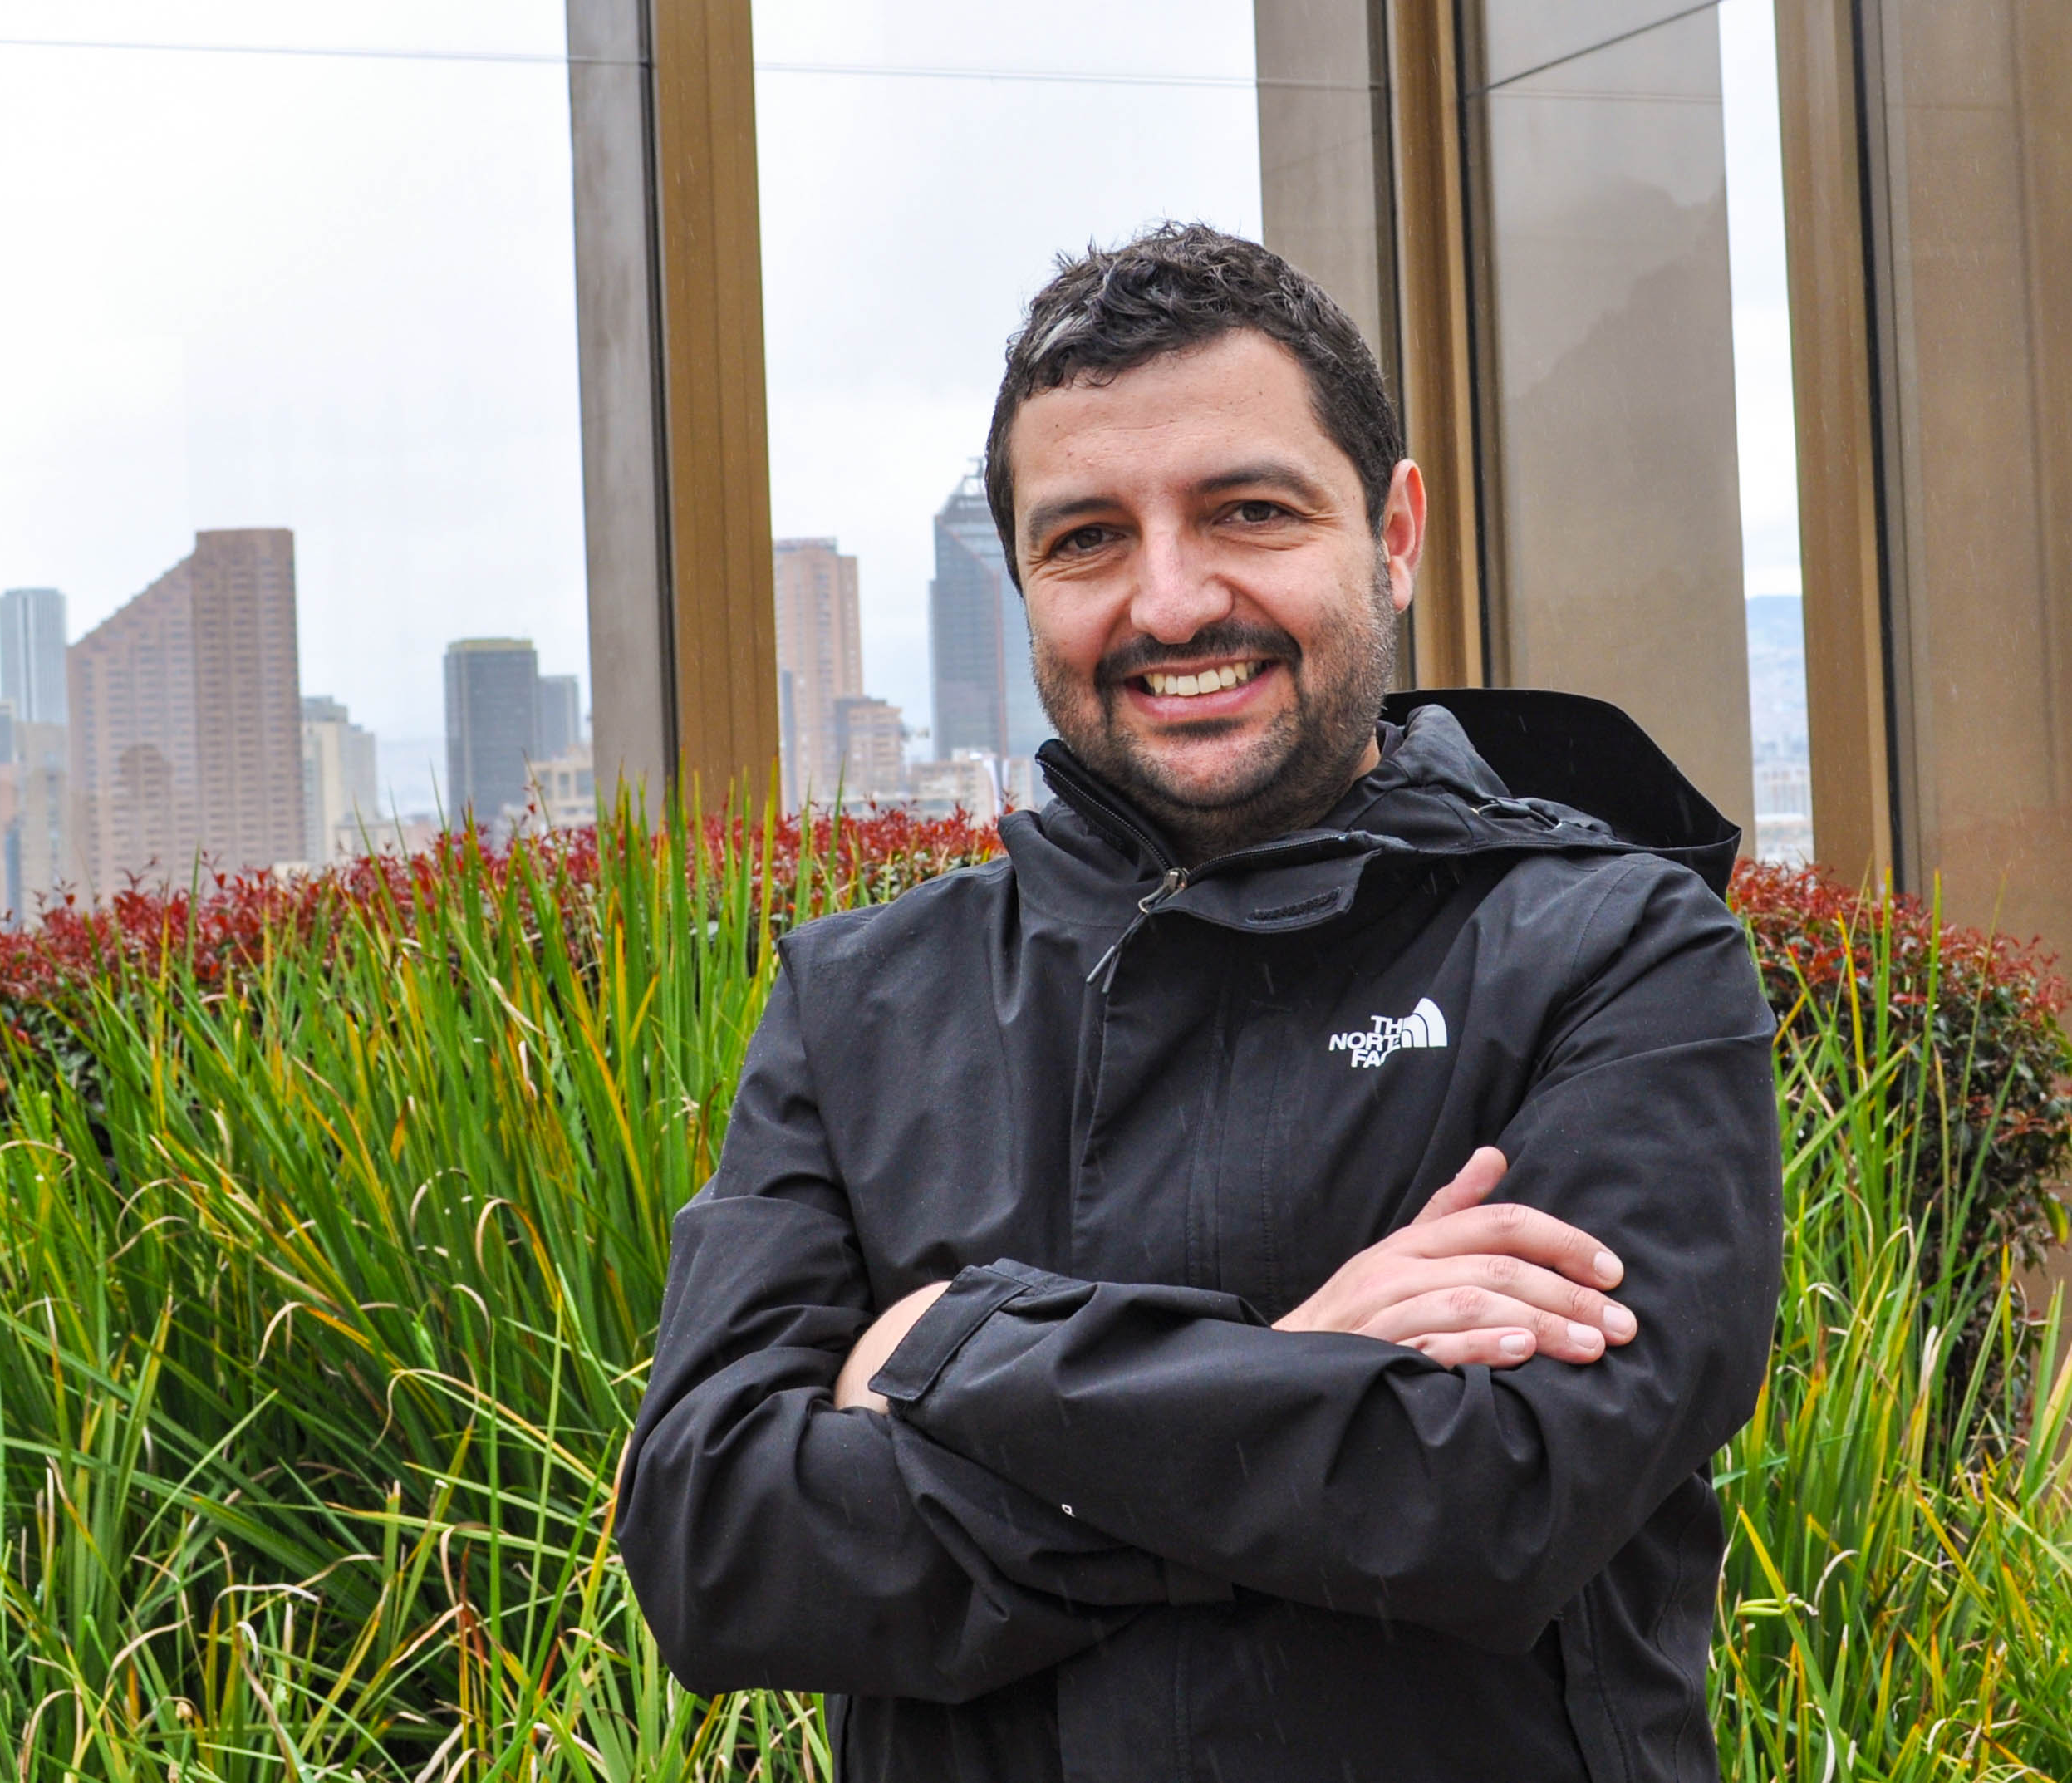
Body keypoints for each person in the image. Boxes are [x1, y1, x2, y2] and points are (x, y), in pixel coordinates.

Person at [617, 223, 1783, 1782]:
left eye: (1248, 510)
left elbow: (1499, 1497)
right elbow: (715, 1544)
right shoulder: (865, 1002)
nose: (1170, 604)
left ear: (1395, 531)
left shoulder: (1614, 952)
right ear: (1025, 580)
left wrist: (958, 1349)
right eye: (1088, 537)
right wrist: (1312, 1362)